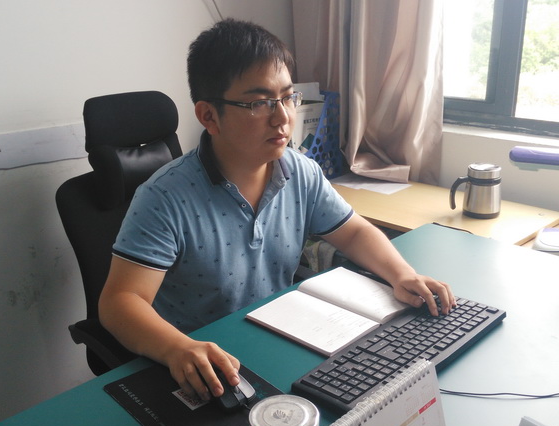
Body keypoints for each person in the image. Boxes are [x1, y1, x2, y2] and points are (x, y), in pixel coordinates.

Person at [98, 18, 455, 403]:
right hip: (201, 366)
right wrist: (177, 348)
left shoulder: (300, 171)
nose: (283, 117)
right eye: (259, 103)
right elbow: (120, 303)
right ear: (209, 116)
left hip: (275, 339)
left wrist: (402, 275)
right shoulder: (165, 197)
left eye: (287, 97)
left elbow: (352, 231)